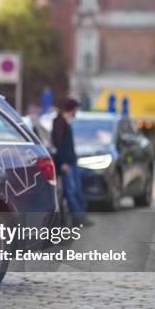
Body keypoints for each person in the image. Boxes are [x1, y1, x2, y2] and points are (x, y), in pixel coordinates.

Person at [51, 97, 91, 226]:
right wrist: (62, 163)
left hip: (71, 162)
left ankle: (79, 217)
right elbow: (58, 144)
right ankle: (77, 219)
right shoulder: (59, 122)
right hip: (66, 164)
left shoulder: (67, 122)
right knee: (71, 191)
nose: (76, 111)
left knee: (77, 190)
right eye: (75, 109)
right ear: (71, 109)